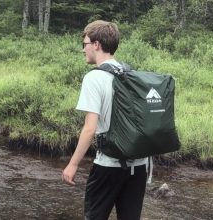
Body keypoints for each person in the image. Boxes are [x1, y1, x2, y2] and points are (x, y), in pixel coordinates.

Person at [61, 20, 148, 220]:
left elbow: (90, 128)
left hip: (108, 165)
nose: (83, 50)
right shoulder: (130, 73)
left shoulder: (94, 78)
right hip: (139, 165)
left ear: (97, 44)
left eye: (85, 44)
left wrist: (73, 164)